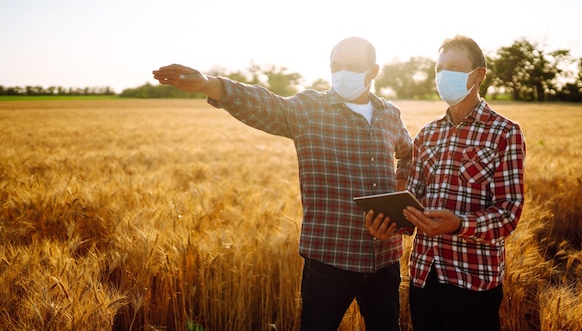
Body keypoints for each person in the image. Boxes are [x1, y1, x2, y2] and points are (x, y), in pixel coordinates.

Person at [153, 37, 413, 331]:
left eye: (352, 67)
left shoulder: (389, 114)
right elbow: (263, 103)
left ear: (373, 71)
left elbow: (408, 154)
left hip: (385, 258)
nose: (342, 74)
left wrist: (400, 187)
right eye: (336, 66)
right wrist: (210, 84)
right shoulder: (309, 109)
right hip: (331, 257)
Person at [365, 35, 525, 331]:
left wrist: (459, 225)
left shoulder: (505, 133)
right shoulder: (427, 134)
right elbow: (414, 202)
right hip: (424, 276)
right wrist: (391, 226)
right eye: (439, 69)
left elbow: (509, 213)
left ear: (478, 75)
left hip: (473, 281)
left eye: (453, 66)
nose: (443, 75)